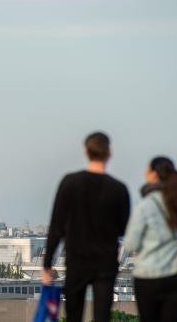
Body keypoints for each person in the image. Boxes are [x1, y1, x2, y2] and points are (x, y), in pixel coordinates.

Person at [42, 132, 130, 322]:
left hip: (76, 261)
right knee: (102, 317)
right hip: (106, 263)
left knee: (74, 315)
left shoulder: (69, 183)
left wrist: (47, 263)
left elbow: (56, 226)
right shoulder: (119, 189)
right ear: (109, 153)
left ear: (86, 152)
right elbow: (123, 229)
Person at [123, 157, 177, 322]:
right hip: (176, 275)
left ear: (154, 174)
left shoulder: (145, 206)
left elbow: (131, 243)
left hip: (148, 276)